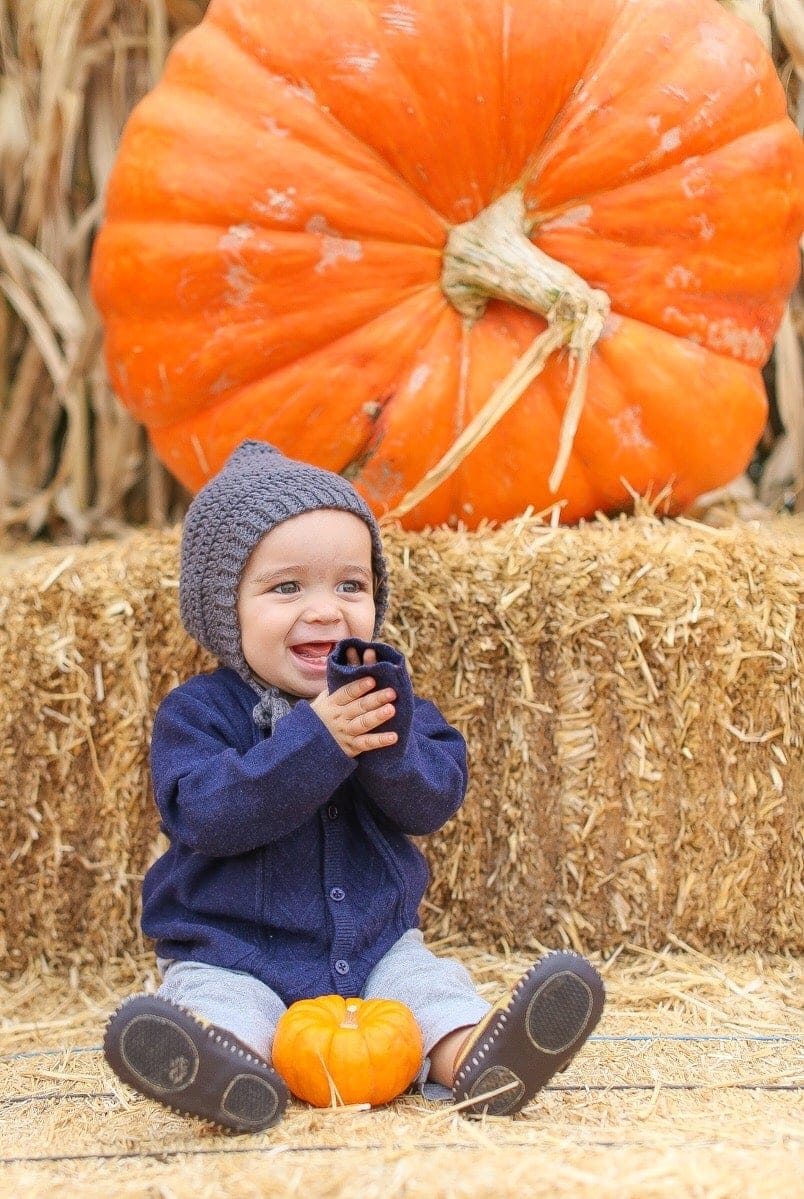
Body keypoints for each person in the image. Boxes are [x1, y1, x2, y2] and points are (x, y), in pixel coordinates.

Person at [104, 440, 604, 1133]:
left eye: (351, 585)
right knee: (226, 1013)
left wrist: (385, 745)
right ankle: (222, 1074)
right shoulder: (198, 712)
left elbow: (433, 800)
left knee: (427, 995)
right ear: (226, 609)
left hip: (373, 947)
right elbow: (205, 814)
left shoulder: (382, 701)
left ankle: (483, 1059)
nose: (326, 610)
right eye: (287, 588)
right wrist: (318, 741)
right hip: (231, 949)